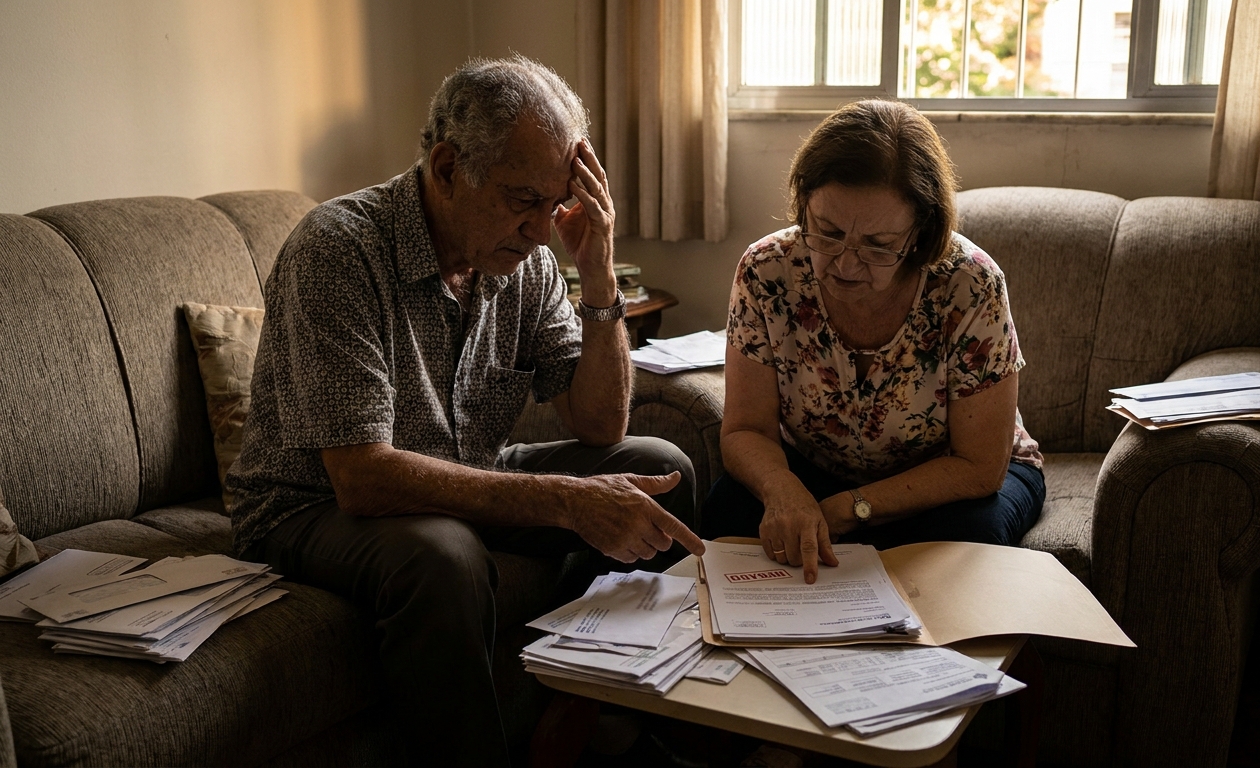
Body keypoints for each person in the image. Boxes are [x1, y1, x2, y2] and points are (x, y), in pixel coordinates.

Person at [225, 55, 705, 767]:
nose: (542, 229)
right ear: (448, 167)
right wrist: (565, 503)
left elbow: (599, 425)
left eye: (557, 203)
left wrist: (598, 273)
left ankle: (610, 720)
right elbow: (363, 477)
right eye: (522, 199)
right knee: (443, 557)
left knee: (658, 467)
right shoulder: (338, 249)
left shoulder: (529, 259)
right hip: (311, 504)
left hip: (458, 468)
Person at [702, 99, 1044, 585]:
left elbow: (978, 467)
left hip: (950, 483)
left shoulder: (970, 285)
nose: (844, 263)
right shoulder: (767, 272)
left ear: (920, 233)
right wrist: (785, 491)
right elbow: (745, 430)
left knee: (970, 537)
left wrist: (850, 509)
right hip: (819, 470)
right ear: (804, 206)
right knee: (726, 511)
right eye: (828, 232)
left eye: (878, 246)